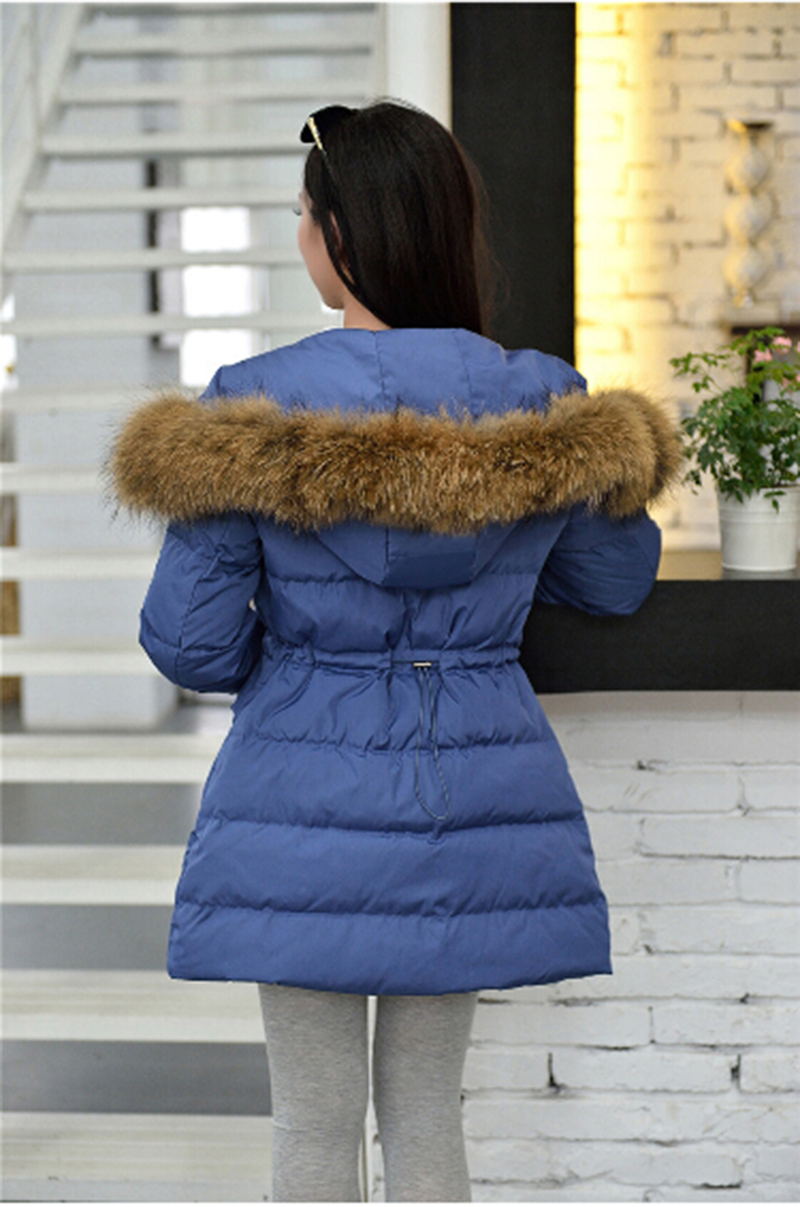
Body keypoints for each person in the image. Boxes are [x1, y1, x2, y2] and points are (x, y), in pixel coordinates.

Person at [110, 99, 681, 1203]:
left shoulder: (250, 406)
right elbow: (611, 585)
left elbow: (188, 641)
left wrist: (292, 654)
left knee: (311, 1121)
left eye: (303, 214)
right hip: (471, 795)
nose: (299, 235)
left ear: (343, 233)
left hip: (297, 802)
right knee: (426, 1113)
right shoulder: (543, 400)